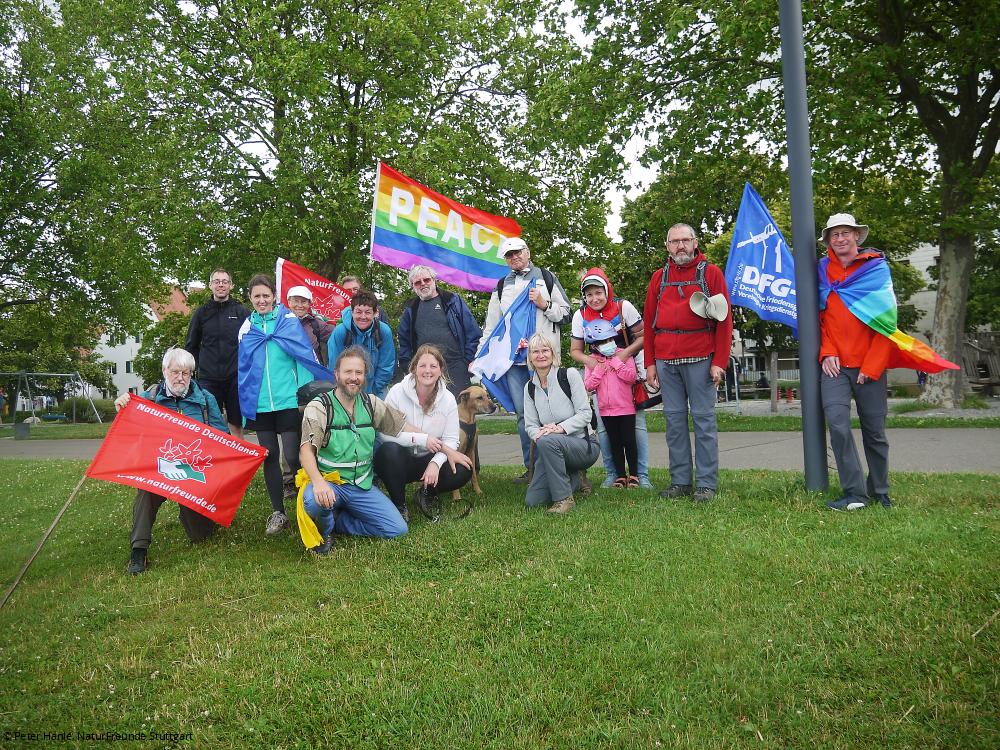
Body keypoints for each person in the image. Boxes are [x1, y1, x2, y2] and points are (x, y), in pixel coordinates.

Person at [299, 346, 446, 552]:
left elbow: (402, 426)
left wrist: (433, 441)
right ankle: (326, 528)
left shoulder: (371, 403)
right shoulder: (320, 406)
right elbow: (306, 451)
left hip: (361, 485)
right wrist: (318, 482)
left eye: (359, 372)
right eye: (348, 372)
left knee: (397, 529)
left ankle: (340, 521)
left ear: (364, 376)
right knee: (313, 502)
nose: (354, 377)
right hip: (330, 482)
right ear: (337, 374)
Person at [115, 348, 227, 575]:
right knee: (145, 495)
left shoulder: (205, 399)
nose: (180, 378)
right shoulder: (148, 398)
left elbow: (222, 437)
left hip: (193, 470)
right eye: (175, 372)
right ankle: (139, 550)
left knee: (201, 536)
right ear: (165, 371)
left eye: (186, 373)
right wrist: (122, 407)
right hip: (159, 467)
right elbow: (127, 430)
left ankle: (197, 518)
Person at [643, 223, 733, 502]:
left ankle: (706, 484)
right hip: (666, 360)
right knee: (674, 423)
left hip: (701, 358)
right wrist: (649, 363)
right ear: (667, 246)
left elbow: (725, 321)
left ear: (695, 243)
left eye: (685, 240)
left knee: (704, 421)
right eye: (674, 241)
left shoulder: (711, 273)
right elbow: (649, 323)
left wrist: (719, 361)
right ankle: (680, 481)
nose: (680, 246)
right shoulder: (659, 278)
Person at [238, 273, 332, 536]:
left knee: (293, 455)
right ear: (250, 298)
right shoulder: (246, 328)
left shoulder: (288, 321)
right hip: (261, 403)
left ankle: (307, 506)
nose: (261, 300)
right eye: (256, 296)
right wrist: (246, 400)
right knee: (269, 455)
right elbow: (243, 367)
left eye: (266, 295)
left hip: (288, 400)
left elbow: (302, 357)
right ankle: (279, 512)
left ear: (274, 297)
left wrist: (303, 394)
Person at [817, 213, 894, 511]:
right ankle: (855, 493)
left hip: (869, 365)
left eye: (845, 233)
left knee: (875, 432)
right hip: (834, 365)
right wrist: (827, 351)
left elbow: (887, 323)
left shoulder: (875, 269)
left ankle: (880, 490)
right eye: (834, 234)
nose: (840, 239)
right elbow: (820, 318)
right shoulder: (821, 270)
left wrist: (871, 366)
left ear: (857, 236)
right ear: (829, 240)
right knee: (837, 425)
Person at [481, 237, 571, 483]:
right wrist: (479, 357)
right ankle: (532, 469)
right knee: (523, 415)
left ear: (527, 252)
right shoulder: (501, 286)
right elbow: (491, 326)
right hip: (513, 363)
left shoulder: (546, 277)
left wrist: (544, 304)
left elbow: (566, 314)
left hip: (543, 359)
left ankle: (558, 466)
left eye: (517, 252)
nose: (514, 257)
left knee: (552, 412)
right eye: (509, 255)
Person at [569, 268, 652, 488]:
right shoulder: (580, 315)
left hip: (627, 372)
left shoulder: (623, 307)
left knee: (637, 427)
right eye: (589, 294)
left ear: (607, 290)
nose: (594, 298)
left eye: (599, 292)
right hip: (601, 377)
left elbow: (644, 336)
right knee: (605, 429)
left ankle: (641, 475)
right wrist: (591, 363)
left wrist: (624, 355)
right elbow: (575, 350)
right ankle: (613, 474)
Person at [373, 344, 473, 520]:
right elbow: (384, 433)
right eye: (422, 366)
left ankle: (426, 493)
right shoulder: (397, 392)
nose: (428, 371)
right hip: (401, 458)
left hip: (429, 456)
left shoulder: (448, 399)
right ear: (414, 368)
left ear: (440, 370)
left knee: (464, 468)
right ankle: (399, 505)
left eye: (433, 366)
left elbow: (451, 440)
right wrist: (421, 439)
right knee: (387, 451)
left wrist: (435, 463)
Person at [522, 333, 599, 513]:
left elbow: (585, 414)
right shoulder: (529, 387)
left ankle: (564, 499)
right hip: (550, 447)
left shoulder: (569, 375)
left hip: (584, 444)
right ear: (530, 357)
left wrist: (560, 428)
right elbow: (530, 425)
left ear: (553, 353)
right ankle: (575, 477)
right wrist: (539, 434)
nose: (541, 355)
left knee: (548, 441)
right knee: (533, 501)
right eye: (535, 351)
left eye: (545, 350)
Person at [397, 265, 482, 398]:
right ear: (413, 286)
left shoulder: (452, 300)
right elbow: (404, 342)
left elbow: (472, 332)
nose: (423, 284)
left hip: (456, 367)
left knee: (459, 408)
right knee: (428, 408)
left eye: (426, 280)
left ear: (434, 280)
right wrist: (410, 368)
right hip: (426, 371)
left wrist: (467, 360)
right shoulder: (410, 309)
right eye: (417, 282)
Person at [185, 268, 249, 439]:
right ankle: (212, 456)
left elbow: (251, 344)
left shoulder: (241, 312)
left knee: (236, 424)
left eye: (225, 281)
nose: (221, 285)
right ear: (210, 285)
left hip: (235, 378)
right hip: (208, 379)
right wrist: (192, 373)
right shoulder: (201, 313)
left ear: (231, 285)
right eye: (217, 281)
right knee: (209, 425)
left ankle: (237, 456)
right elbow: (191, 346)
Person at [582, 319, 639, 488]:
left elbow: (631, 377)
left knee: (629, 442)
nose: (607, 344)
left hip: (626, 409)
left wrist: (617, 364)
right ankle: (620, 476)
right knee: (615, 443)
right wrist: (598, 372)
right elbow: (588, 385)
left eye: (609, 340)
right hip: (606, 411)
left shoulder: (623, 355)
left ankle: (634, 475)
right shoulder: (591, 361)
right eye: (602, 342)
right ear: (594, 346)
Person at [327, 289, 396, 398]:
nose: (363, 317)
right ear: (352, 312)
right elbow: (335, 366)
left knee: (382, 407)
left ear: (375, 313)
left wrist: (371, 393)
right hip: (347, 386)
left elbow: (386, 365)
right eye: (358, 312)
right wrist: (348, 390)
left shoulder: (383, 331)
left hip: (376, 388)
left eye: (368, 312)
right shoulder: (340, 332)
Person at [286, 285, 334, 366]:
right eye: (296, 301)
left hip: (311, 371)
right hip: (288, 371)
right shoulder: (280, 322)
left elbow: (339, 333)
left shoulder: (316, 324)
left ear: (309, 304)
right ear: (289, 302)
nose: (300, 305)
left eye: (303, 301)